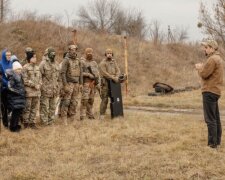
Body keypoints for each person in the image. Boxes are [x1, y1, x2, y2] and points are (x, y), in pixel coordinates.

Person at [195, 39, 224, 148]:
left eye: (206, 47)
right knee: (215, 118)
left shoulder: (212, 59)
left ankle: (212, 144)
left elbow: (204, 74)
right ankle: (217, 142)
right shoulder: (219, 58)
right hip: (215, 91)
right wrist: (204, 67)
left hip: (209, 91)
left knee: (210, 119)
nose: (204, 49)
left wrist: (199, 68)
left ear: (212, 48)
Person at [60, 44, 83, 124]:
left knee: (74, 102)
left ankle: (72, 117)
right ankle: (64, 118)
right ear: (69, 50)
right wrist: (65, 84)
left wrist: (81, 83)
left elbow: (81, 72)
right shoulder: (66, 60)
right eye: (72, 49)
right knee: (66, 101)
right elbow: (62, 73)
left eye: (75, 49)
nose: (74, 51)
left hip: (76, 84)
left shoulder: (78, 60)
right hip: (69, 83)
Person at [39, 47, 60, 126]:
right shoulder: (43, 63)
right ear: (48, 54)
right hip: (45, 89)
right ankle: (44, 123)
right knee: (45, 107)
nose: (53, 55)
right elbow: (39, 76)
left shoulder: (57, 63)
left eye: (54, 54)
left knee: (52, 107)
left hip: (54, 90)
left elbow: (58, 77)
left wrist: (58, 87)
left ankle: (51, 122)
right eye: (51, 53)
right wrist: (41, 87)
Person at [99, 48, 120, 120]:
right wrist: (113, 78)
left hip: (114, 83)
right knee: (105, 100)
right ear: (105, 54)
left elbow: (118, 70)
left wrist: (117, 76)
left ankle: (114, 114)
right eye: (108, 53)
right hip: (105, 83)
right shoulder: (102, 63)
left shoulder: (114, 62)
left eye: (110, 53)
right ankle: (102, 116)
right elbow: (104, 73)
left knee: (114, 99)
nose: (109, 55)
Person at [22, 52, 42, 129]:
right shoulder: (25, 67)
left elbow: (40, 78)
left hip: (36, 92)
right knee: (27, 108)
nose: (35, 59)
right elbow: (25, 80)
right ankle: (26, 123)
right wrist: (34, 85)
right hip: (29, 92)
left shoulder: (37, 68)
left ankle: (32, 123)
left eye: (35, 57)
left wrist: (39, 85)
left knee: (34, 108)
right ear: (29, 58)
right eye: (33, 57)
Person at [80, 48, 100, 120]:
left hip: (93, 84)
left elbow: (97, 73)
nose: (89, 53)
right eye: (88, 52)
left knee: (91, 100)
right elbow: (79, 73)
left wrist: (98, 82)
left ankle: (90, 115)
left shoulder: (94, 63)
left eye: (91, 52)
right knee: (84, 100)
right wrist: (88, 74)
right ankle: (82, 115)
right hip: (86, 83)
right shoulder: (82, 62)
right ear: (85, 53)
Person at [6, 60, 26, 132]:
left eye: (20, 69)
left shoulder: (20, 76)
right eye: (18, 69)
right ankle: (12, 127)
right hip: (14, 98)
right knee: (14, 113)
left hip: (20, 98)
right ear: (14, 69)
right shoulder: (12, 77)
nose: (19, 70)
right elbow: (10, 87)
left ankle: (16, 125)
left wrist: (23, 92)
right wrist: (18, 92)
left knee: (18, 113)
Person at [0, 49, 13, 128]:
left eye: (10, 55)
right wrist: (6, 83)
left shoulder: (11, 63)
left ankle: (11, 122)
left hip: (11, 88)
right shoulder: (1, 64)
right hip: (4, 89)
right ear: (4, 56)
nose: (9, 56)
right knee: (4, 107)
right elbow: (0, 76)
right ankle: (5, 124)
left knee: (11, 106)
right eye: (7, 55)